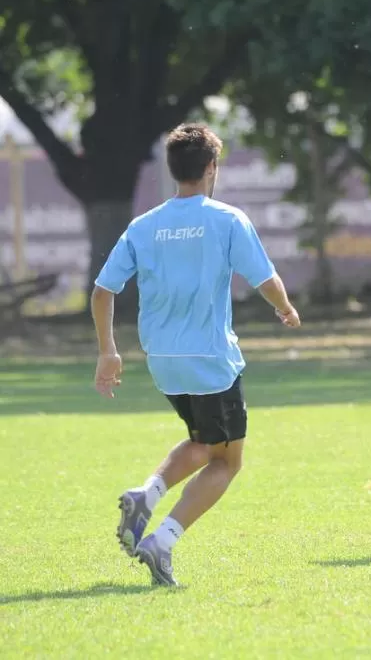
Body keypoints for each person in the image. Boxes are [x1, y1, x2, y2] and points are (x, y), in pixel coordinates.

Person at [91, 123, 301, 586]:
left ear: (172, 171)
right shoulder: (226, 219)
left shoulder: (143, 226)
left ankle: (146, 495)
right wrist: (285, 308)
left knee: (204, 442)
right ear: (211, 168)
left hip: (162, 360)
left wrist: (108, 351)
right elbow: (264, 278)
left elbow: (104, 290)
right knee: (227, 461)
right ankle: (161, 542)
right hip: (210, 360)